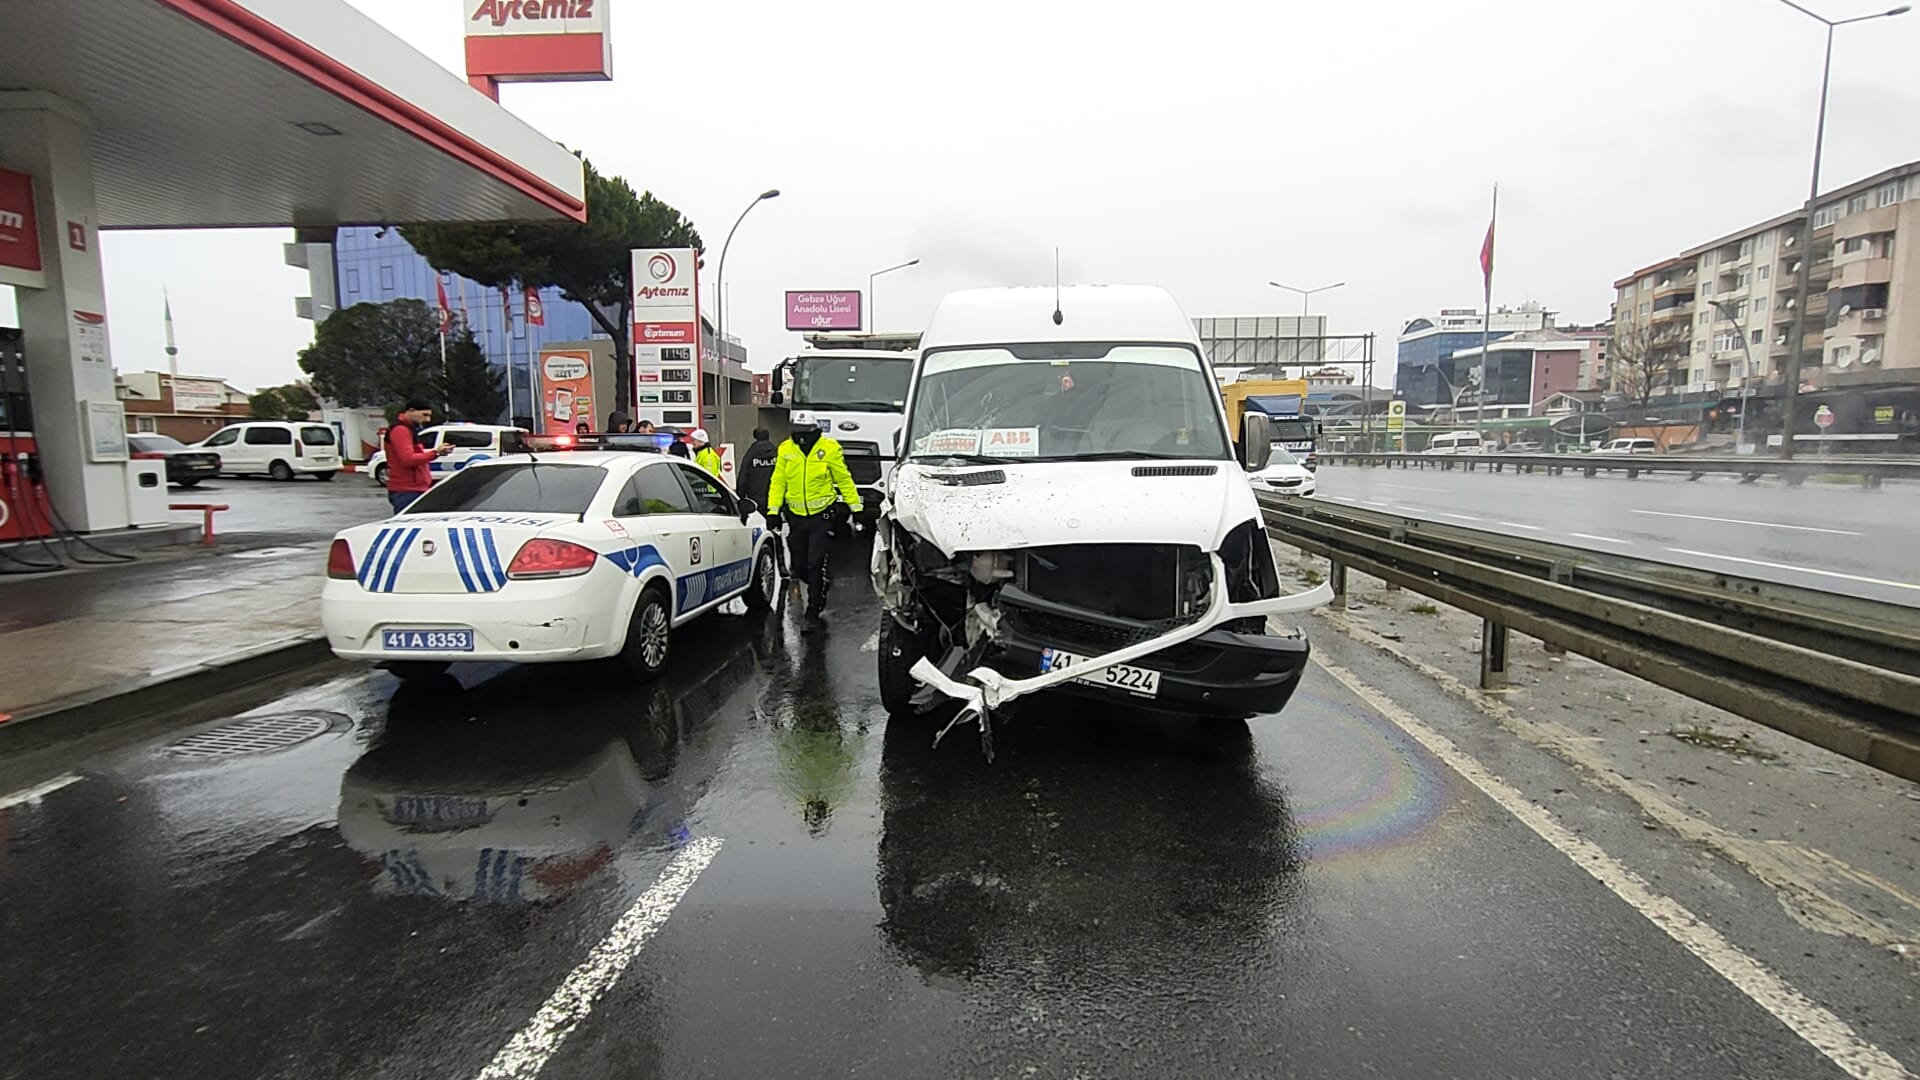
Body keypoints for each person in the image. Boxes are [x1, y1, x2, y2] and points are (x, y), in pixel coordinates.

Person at [766, 410, 861, 629]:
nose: (800, 437)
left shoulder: (829, 448)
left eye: (805, 433)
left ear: (815, 430)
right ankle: (820, 586)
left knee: (815, 562)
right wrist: (773, 511)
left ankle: (813, 608)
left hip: (821, 516)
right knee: (799, 566)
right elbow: (778, 481)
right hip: (796, 517)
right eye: (796, 433)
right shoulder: (785, 449)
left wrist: (855, 507)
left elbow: (843, 479)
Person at [384, 397, 451, 514]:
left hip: (414, 489)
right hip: (407, 490)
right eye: (424, 415)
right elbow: (407, 459)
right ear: (411, 410)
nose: (427, 419)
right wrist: (435, 453)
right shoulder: (400, 430)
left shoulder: (409, 429)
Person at [738, 427, 778, 512]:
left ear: (755, 437)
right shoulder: (777, 453)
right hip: (775, 495)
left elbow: (743, 475)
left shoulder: (751, 454)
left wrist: (740, 496)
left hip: (755, 497)